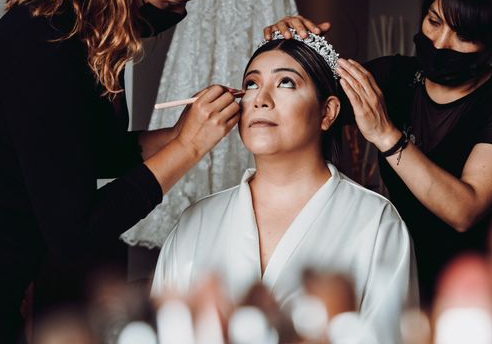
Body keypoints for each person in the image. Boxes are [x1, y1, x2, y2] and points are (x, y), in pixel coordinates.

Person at [0, 0, 242, 342]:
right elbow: (75, 236)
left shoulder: (93, 38)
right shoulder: (43, 41)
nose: (176, 18)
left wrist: (177, 133)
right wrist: (188, 149)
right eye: (174, 4)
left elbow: (97, 154)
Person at [264, 0, 492, 305]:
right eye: (434, 21)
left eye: (464, 35)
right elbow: (300, 108)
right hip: (401, 269)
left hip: (483, 285)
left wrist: (386, 135)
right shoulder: (392, 77)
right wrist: (286, 51)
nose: (440, 42)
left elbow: (463, 210)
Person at [152, 31, 417, 343]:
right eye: (251, 84)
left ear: (327, 112)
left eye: (286, 82)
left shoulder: (375, 221)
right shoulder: (196, 221)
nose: (261, 99)